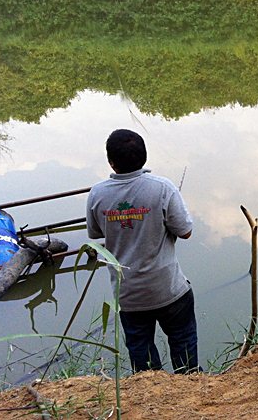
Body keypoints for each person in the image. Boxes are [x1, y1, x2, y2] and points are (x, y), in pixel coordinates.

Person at [86, 128, 200, 374]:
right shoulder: (163, 188)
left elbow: (96, 234)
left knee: (142, 356)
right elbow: (186, 231)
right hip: (169, 289)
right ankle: (190, 386)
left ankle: (151, 399)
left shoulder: (98, 193)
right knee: (183, 343)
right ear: (144, 156)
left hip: (129, 294)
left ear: (111, 162)